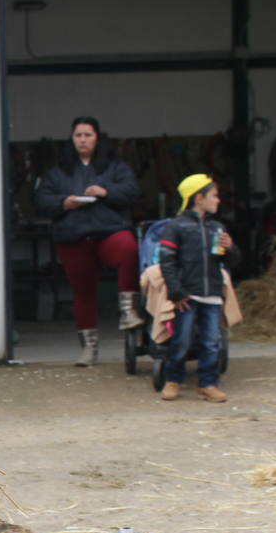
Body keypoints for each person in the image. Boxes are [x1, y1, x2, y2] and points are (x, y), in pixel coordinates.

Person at [33, 116, 144, 366]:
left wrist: (106, 192)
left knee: (128, 248)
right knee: (83, 293)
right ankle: (89, 350)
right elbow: (41, 201)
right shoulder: (59, 171)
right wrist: (64, 203)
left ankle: (128, 311)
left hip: (107, 231)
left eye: (88, 135)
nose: (82, 140)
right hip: (73, 236)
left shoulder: (115, 166)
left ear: (97, 137)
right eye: (78, 135)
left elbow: (133, 192)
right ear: (72, 139)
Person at [157, 174, 232, 403]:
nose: (218, 200)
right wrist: (177, 291)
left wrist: (231, 249)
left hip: (212, 295)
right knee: (182, 340)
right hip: (187, 295)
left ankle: (208, 384)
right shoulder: (176, 226)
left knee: (211, 342)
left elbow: (228, 262)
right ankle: (172, 380)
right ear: (199, 198)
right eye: (214, 196)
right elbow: (166, 262)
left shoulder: (217, 227)